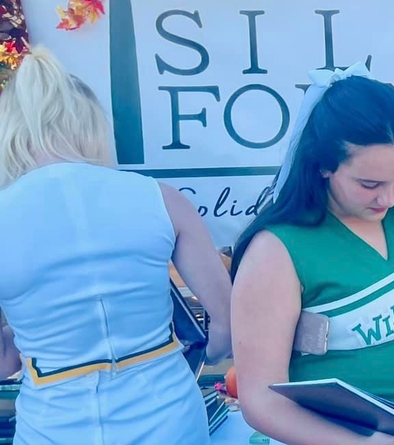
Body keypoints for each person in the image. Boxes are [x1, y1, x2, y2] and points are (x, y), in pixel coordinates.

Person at [231, 66, 394, 445]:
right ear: (324, 166)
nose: (388, 198)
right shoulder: (276, 252)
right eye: (369, 184)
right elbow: (260, 400)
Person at [0, 48, 233, 444]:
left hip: (54, 427)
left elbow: (4, 363)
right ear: (90, 125)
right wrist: (204, 357)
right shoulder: (161, 199)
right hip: (169, 418)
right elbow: (229, 321)